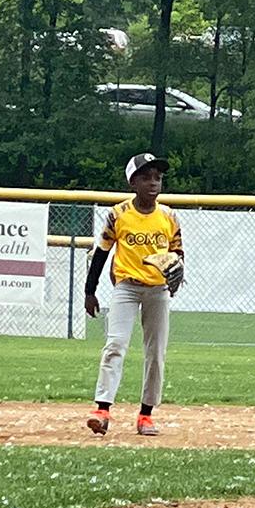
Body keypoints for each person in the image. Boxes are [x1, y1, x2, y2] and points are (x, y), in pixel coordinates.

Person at [84, 153, 184, 436]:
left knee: (155, 352)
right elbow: (102, 253)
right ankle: (102, 410)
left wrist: (178, 268)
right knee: (115, 344)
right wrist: (90, 291)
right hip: (126, 287)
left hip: (157, 289)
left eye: (157, 177)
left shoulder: (168, 216)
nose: (153, 183)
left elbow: (177, 252)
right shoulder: (118, 214)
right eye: (146, 177)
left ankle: (146, 415)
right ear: (132, 182)